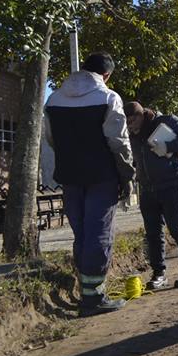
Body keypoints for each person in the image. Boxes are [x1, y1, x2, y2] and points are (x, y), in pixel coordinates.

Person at [44, 52, 134, 315]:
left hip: (69, 176)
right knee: (99, 232)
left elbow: (51, 139)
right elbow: (118, 142)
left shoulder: (54, 99)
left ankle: (87, 290)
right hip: (101, 175)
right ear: (106, 75)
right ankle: (93, 297)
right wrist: (127, 175)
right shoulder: (108, 97)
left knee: (82, 232)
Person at [123, 101, 178, 290]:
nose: (130, 125)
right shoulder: (132, 135)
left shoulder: (166, 121)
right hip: (147, 187)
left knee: (177, 227)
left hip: (173, 183)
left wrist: (168, 146)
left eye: (132, 120)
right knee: (152, 233)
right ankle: (159, 273)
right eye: (127, 122)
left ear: (142, 115)